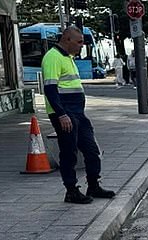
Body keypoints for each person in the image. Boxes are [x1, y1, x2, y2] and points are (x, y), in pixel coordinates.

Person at [41, 26, 115, 204]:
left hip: (78, 113)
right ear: (67, 39)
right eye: (79, 42)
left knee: (91, 150)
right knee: (69, 152)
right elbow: (50, 90)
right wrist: (61, 114)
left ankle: (93, 185)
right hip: (65, 113)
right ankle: (71, 190)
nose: (82, 46)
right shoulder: (53, 57)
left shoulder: (68, 57)